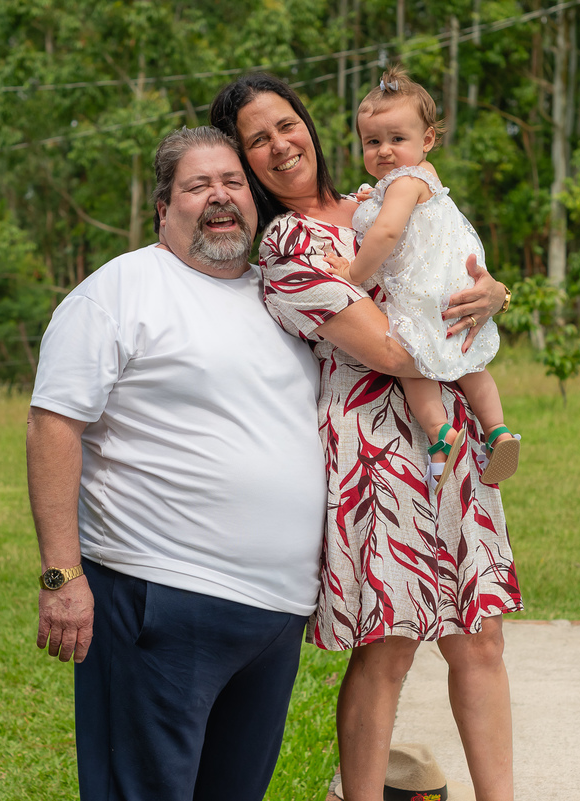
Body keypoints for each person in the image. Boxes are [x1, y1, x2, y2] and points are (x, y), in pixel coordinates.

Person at [210, 74, 522, 801]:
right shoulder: (287, 247)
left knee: (481, 636)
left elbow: (452, 259)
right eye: (258, 139)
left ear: (308, 124)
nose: (281, 144)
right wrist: (475, 327)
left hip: (450, 442)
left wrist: (495, 293)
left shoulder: (379, 195)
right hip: (377, 454)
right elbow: (389, 350)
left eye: (286, 124)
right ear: (244, 161)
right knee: (391, 645)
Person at [27, 126, 327, 801]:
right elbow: (53, 424)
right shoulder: (123, 290)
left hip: (273, 617)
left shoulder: (283, 296)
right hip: (158, 597)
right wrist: (61, 573)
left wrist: (486, 292)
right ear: (164, 208)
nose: (220, 197)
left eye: (233, 183)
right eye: (198, 185)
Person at [322, 66, 521, 494]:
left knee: (417, 368)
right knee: (472, 365)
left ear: (427, 139)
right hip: (455, 290)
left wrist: (353, 272)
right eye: (372, 141)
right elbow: (395, 209)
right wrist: (369, 197)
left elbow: (388, 232)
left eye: (397, 139)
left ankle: (439, 436)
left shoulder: (404, 183)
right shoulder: (424, 177)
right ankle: (499, 432)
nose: (384, 151)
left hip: (421, 292)